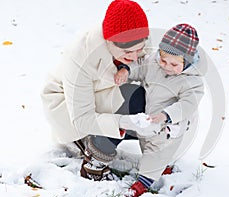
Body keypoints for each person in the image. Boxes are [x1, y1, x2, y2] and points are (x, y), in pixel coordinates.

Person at [41, 0, 159, 182]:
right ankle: (94, 161)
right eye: (128, 51)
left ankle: (153, 157)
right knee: (134, 99)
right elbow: (82, 118)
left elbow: (148, 67)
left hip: (106, 92)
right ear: (108, 41)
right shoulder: (81, 54)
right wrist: (125, 120)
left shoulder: (139, 38)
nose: (135, 56)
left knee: (154, 102)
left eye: (140, 49)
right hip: (68, 105)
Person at [115, 23, 205, 197]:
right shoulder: (153, 63)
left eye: (174, 64)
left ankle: (143, 183)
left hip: (168, 127)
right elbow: (139, 67)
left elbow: (188, 104)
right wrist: (126, 70)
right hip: (149, 119)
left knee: (155, 152)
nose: (167, 66)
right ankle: (163, 166)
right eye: (163, 60)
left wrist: (167, 115)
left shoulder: (192, 81)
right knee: (146, 144)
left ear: (187, 62)